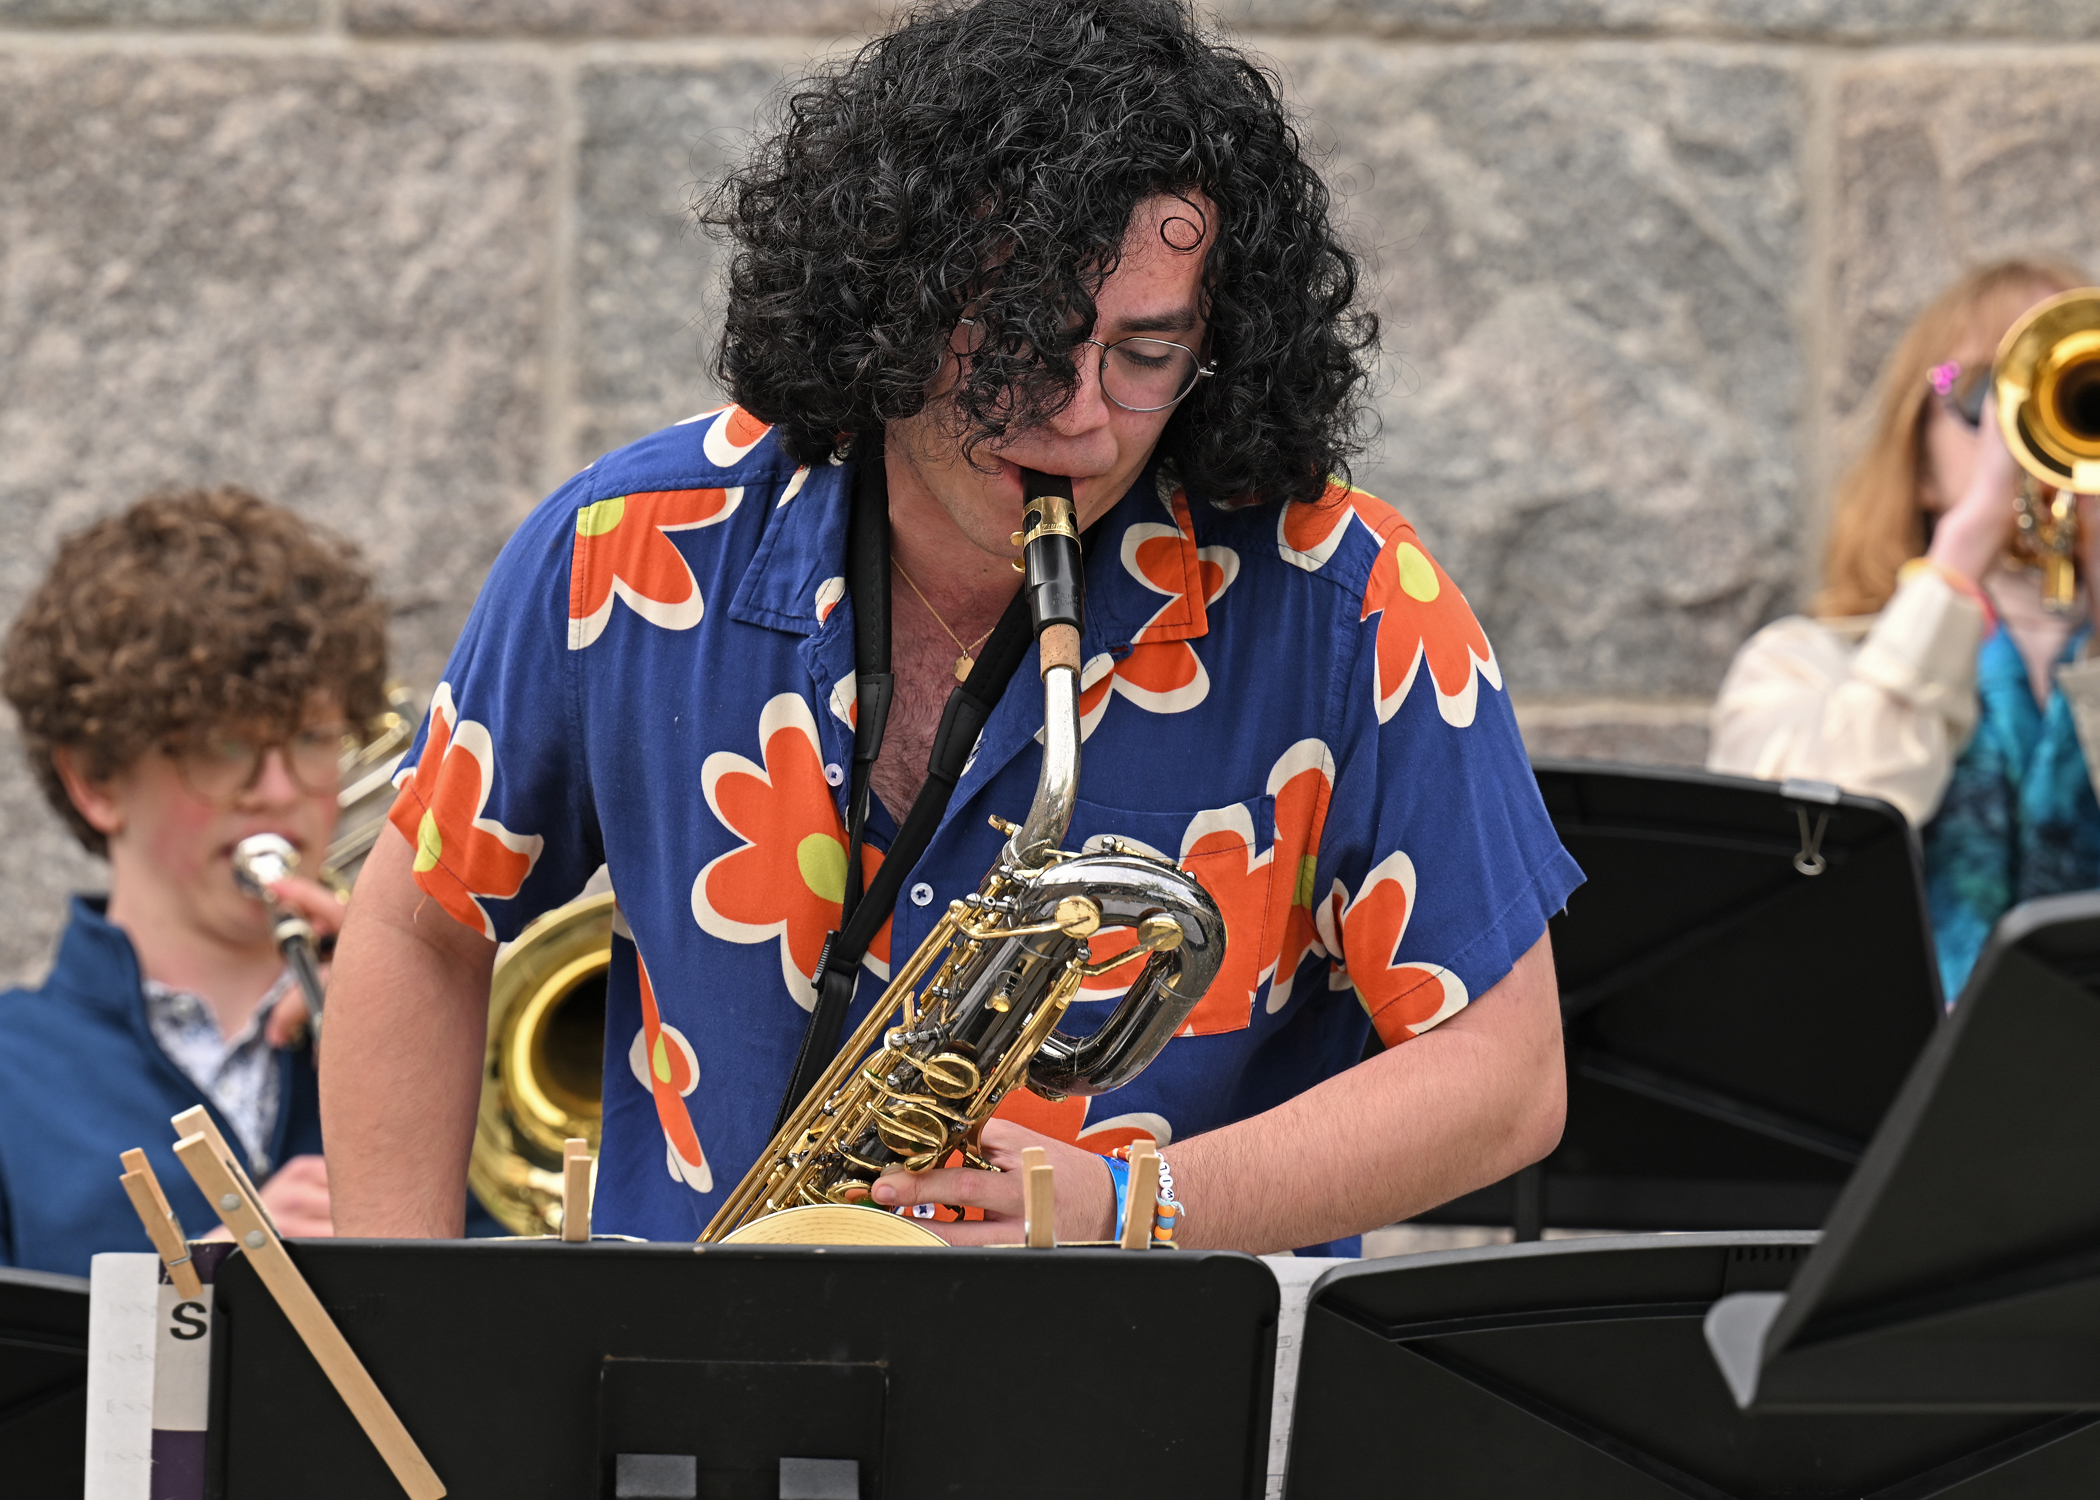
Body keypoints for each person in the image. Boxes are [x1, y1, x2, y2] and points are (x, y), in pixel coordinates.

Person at [323, 0, 1581, 1256]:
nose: (1084, 418)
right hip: (696, 1394)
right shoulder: (626, 551)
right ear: (891, 302)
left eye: (1147, 351)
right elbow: (416, 922)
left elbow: (1505, 1077)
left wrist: (1125, 1209)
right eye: (1023, 344)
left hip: (1151, 1415)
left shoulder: (1348, 599)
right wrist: (401, 1350)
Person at [0, 487, 382, 1277]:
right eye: (221, 747)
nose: (279, 792)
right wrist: (204, 1283)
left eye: (311, 739)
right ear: (98, 781)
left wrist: (402, 1030)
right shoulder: (13, 1074)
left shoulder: (423, 1041)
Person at [1709, 257, 2099, 999]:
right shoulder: (1801, 664)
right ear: (1916, 458)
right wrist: (1960, 556)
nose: (2030, 435)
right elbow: (1808, 860)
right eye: (1987, 391)